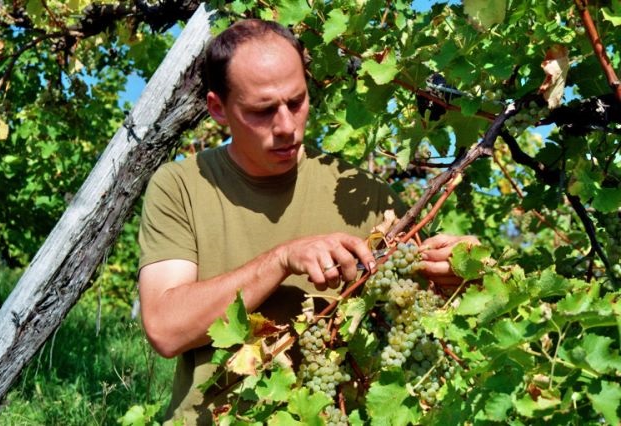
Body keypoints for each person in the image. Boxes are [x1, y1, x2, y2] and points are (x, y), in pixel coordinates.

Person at [137, 19, 476, 424]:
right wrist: (280, 260)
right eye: (262, 111)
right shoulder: (180, 186)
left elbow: (416, 314)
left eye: (296, 102)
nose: (286, 127)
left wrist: (462, 271)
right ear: (217, 108)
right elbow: (166, 329)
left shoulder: (361, 194)